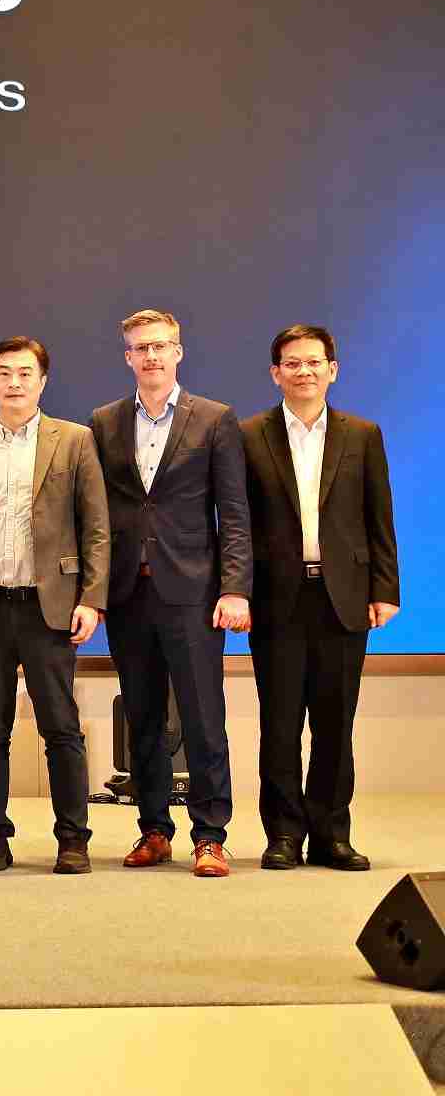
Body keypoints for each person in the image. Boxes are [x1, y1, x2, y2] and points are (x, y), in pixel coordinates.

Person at [89, 309, 251, 878]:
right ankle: (154, 830)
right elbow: (98, 514)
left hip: (194, 592)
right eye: (141, 348)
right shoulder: (104, 421)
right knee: (143, 717)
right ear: (128, 357)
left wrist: (235, 588)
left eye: (160, 346)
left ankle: (210, 836)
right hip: (129, 592)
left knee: (204, 717)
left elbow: (234, 513)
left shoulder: (214, 419)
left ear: (178, 352)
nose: (151, 356)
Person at [0, 336, 109, 875]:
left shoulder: (75, 439)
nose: (14, 382)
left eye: (24, 373)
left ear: (42, 381)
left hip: (50, 606)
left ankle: (73, 839)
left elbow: (96, 526)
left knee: (60, 726)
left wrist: (92, 600)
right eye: (3, 373)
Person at [240, 324, 399, 871]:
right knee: (280, 725)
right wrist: (237, 590)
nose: (303, 371)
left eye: (314, 362)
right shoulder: (249, 435)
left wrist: (385, 589)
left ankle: (332, 834)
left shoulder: (363, 434)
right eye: (292, 363)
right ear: (275, 373)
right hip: (275, 599)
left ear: (333, 369)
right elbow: (236, 524)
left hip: (344, 598)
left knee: (335, 724)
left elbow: (379, 517)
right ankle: (283, 834)